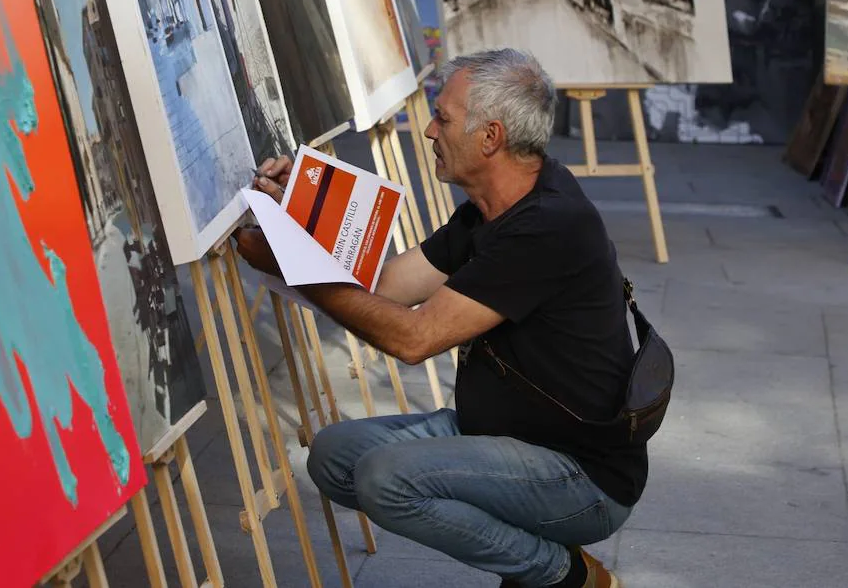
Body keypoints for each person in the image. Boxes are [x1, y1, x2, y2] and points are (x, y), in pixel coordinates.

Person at [233, 48, 645, 588]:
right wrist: (302, 211)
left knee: (387, 480)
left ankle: (561, 574)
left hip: (579, 474)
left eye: (443, 118)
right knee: (333, 457)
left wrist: (299, 269)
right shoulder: (492, 207)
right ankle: (527, 544)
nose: (428, 130)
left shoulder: (548, 227)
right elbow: (383, 287)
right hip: (497, 434)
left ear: (491, 136)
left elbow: (413, 337)